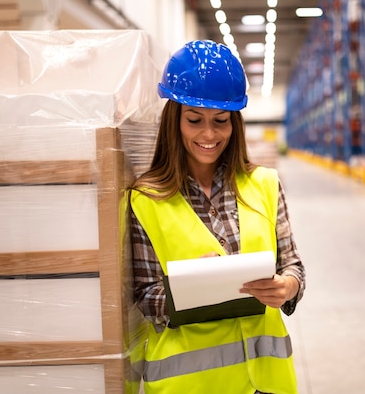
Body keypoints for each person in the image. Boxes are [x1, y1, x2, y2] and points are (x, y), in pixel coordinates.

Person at [129, 39, 306, 394]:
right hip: (193, 385)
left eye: (220, 121)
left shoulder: (265, 184)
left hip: (267, 382)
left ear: (234, 123)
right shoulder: (146, 200)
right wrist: (192, 285)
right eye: (195, 120)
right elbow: (145, 298)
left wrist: (288, 287)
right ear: (174, 121)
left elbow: (293, 267)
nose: (209, 135)